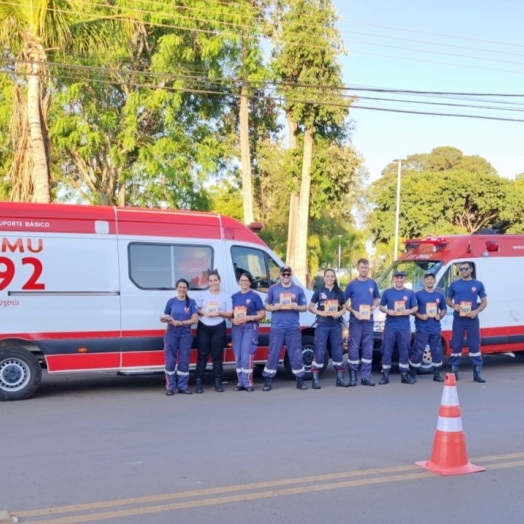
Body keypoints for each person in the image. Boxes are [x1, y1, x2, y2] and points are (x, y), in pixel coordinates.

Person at [262, 265, 308, 391]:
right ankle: (268, 380)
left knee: (296, 354)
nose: (286, 276)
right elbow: (266, 305)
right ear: (280, 275)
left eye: (288, 274)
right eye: (284, 274)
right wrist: (274, 307)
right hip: (277, 328)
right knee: (273, 354)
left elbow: (305, 307)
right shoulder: (273, 289)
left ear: (291, 275)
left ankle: (300, 379)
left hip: (292, 328)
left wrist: (296, 307)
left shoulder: (298, 290)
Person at [446, 262, 488, 383]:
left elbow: (484, 301)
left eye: (466, 268)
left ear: (470, 270)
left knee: (474, 345)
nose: (463, 270)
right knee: (456, 345)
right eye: (461, 269)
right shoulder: (454, 284)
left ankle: (477, 373)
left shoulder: (478, 284)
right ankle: (454, 372)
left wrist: (476, 311)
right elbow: (448, 300)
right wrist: (454, 306)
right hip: (458, 319)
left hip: (472, 319)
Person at [308, 268, 348, 389]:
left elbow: (345, 308)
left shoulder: (339, 292)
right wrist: (320, 313)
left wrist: (339, 313)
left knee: (337, 349)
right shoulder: (319, 291)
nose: (330, 278)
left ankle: (340, 379)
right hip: (322, 324)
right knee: (319, 350)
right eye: (328, 276)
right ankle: (315, 379)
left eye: (332, 276)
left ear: (334, 278)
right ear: (324, 278)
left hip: (336, 325)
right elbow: (310, 307)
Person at [343, 258, 380, 386]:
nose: (364, 269)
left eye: (366, 267)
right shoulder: (352, 284)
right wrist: (354, 312)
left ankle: (366, 377)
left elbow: (376, 299)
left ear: (368, 268)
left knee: (368, 348)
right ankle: (353, 376)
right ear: (358, 268)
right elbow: (343, 302)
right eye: (362, 267)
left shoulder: (372, 283)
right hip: (355, 321)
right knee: (353, 348)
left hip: (368, 321)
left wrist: (374, 307)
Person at [195, 270, 232, 393]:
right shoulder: (202, 295)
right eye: (211, 281)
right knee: (203, 354)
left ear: (219, 281)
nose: (213, 283)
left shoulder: (226, 296)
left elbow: (229, 313)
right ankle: (199, 382)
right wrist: (203, 313)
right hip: (204, 326)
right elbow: (197, 310)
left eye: (215, 280)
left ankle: (218, 381)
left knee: (217, 355)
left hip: (218, 326)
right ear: (208, 282)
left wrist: (219, 313)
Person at [160, 279, 199, 396]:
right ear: (176, 288)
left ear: (187, 289)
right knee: (170, 359)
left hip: (185, 332)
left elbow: (195, 319)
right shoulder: (171, 302)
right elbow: (167, 316)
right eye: (180, 287)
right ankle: (170, 386)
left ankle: (182, 386)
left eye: (184, 287)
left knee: (184, 359)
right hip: (171, 332)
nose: (182, 289)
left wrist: (181, 323)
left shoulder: (191, 302)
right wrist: (164, 319)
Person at [378, 270, 418, 385]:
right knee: (387, 349)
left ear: (404, 279)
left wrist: (409, 310)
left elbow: (415, 308)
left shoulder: (410, 293)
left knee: (404, 349)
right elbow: (381, 306)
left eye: (401, 278)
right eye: (397, 278)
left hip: (404, 326)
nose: (399, 280)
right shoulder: (387, 292)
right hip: (390, 325)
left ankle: (404, 374)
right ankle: (385, 374)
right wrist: (388, 311)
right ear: (394, 279)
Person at [231, 272, 266, 392]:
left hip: (250, 327)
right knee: (238, 356)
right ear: (239, 282)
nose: (244, 282)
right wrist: (232, 319)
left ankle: (248, 383)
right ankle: (240, 382)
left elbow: (262, 314)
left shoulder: (255, 296)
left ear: (250, 283)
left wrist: (249, 318)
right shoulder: (234, 297)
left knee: (247, 354)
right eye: (242, 280)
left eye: (246, 280)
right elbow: (230, 314)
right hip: (237, 328)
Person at [412, 270, 447, 382]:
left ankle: (436, 374)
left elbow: (444, 309)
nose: (430, 281)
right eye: (428, 279)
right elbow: (413, 309)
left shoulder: (439, 295)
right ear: (424, 281)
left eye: (432, 279)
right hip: (422, 327)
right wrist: (420, 316)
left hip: (435, 327)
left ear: (435, 281)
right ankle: (413, 373)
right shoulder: (418, 295)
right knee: (418, 349)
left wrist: (440, 315)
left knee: (436, 350)